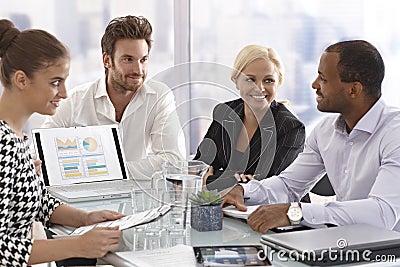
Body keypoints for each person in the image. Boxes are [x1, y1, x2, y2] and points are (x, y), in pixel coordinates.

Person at [223, 40, 400, 233]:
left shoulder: (394, 133)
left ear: (353, 90)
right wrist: (242, 191)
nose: (314, 84)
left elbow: (383, 213)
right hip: (345, 245)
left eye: (323, 79)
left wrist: (295, 212)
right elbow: (289, 186)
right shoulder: (325, 131)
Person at [0, 19, 124, 266]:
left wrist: (85, 218)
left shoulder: (17, 137)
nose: (65, 93)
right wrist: (78, 245)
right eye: (56, 82)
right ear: (21, 80)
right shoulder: (3, 146)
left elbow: (34, 202)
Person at [42, 15, 185, 187]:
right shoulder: (75, 101)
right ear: (107, 60)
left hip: (139, 201)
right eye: (128, 59)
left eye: (143, 60)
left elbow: (175, 161)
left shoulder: (159, 96)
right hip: (84, 202)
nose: (138, 70)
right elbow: (43, 154)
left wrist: (105, 170)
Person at [194, 45, 305, 191]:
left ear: (279, 82)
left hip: (276, 210)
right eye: (250, 79)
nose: (259, 87)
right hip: (228, 207)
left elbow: (269, 187)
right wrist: (242, 179)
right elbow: (198, 169)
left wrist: (212, 178)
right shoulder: (225, 113)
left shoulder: (291, 128)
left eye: (269, 80)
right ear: (236, 81)